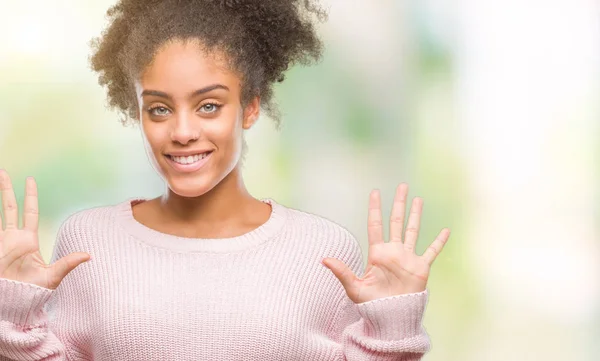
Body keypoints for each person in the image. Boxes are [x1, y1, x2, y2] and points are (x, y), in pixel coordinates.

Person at [0, 0, 451, 360]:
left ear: (250, 107)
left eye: (209, 105)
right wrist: (13, 318)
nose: (182, 132)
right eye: (159, 108)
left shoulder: (323, 253)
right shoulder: (88, 242)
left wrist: (393, 328)